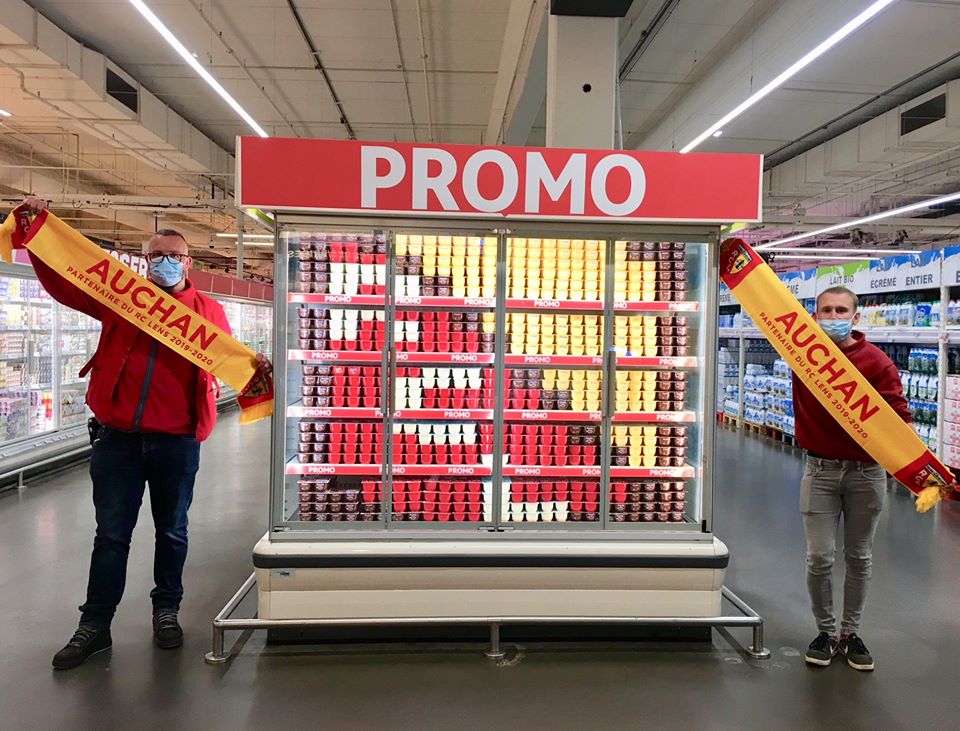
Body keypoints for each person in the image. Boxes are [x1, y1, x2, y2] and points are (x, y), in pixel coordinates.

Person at [20, 197, 272, 670]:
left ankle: (166, 611)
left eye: (174, 256)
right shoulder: (124, 300)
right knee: (111, 534)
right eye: (157, 255)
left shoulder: (207, 311)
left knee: (172, 531)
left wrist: (253, 368)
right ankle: (95, 625)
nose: (165, 263)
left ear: (188, 262)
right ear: (145, 260)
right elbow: (68, 284)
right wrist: (35, 237)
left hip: (176, 441)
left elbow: (228, 357)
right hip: (117, 439)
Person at [793, 286, 911, 672]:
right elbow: (770, 315)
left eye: (841, 310)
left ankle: (850, 633)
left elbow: (899, 414)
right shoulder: (802, 355)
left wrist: (917, 468)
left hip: (866, 474)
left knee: (859, 556)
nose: (833, 317)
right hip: (819, 471)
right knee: (819, 556)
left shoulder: (877, 362)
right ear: (814, 316)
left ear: (855, 317)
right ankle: (825, 632)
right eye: (825, 310)